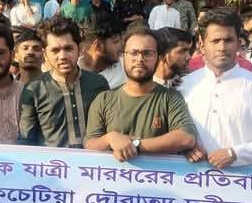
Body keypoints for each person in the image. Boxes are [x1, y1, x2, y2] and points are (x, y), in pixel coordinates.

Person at [179, 8, 252, 167]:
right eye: (215, 41)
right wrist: (186, 148)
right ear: (201, 45)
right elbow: (172, 133)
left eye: (228, 40)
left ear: (238, 43)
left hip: (241, 179)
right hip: (191, 178)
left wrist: (235, 154)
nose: (222, 47)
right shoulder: (184, 85)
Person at [84, 27, 196, 160]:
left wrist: (134, 145)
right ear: (123, 56)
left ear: (158, 58)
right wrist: (110, 138)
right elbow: (90, 144)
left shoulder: (170, 98)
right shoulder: (104, 99)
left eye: (147, 53)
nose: (140, 59)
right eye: (133, 53)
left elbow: (186, 138)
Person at [19, 16, 109, 147]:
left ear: (79, 49)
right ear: (45, 54)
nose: (62, 56)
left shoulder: (98, 84)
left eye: (68, 48)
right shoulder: (33, 89)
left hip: (93, 159)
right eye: (55, 50)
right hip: (51, 160)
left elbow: (109, 129)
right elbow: (25, 141)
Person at [78, 17, 126, 88]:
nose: (121, 45)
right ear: (98, 46)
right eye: (115, 42)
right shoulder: (72, 71)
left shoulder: (126, 67)